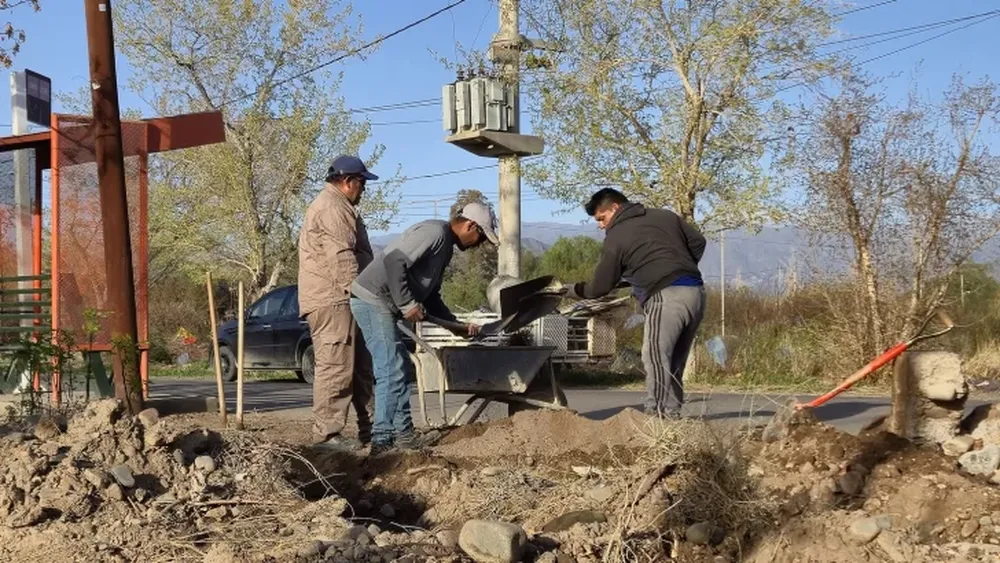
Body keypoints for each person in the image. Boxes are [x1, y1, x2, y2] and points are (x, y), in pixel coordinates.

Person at [350, 202, 498, 454]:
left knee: (400, 368)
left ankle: (404, 435)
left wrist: (456, 326)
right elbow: (394, 261)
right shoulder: (435, 233)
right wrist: (407, 303)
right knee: (391, 369)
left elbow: (430, 297)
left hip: (385, 303)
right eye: (481, 236)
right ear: (470, 225)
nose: (479, 243)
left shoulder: (445, 249)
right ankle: (381, 442)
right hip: (372, 299)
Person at [565, 188, 706, 419]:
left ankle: (656, 418)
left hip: (666, 297)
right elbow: (698, 242)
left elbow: (599, 288)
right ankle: (672, 417)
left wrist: (573, 290)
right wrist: (679, 265)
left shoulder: (617, 235)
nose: (601, 225)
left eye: (602, 218)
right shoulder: (665, 216)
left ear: (615, 208)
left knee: (655, 357)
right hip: (696, 294)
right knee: (674, 361)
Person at [298, 155, 378, 450]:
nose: (364, 189)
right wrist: (362, 292)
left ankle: (372, 429)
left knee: (359, 366)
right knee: (336, 366)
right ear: (347, 182)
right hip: (334, 299)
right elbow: (341, 257)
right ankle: (328, 436)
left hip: (343, 298)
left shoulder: (339, 206)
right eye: (362, 182)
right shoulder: (333, 207)